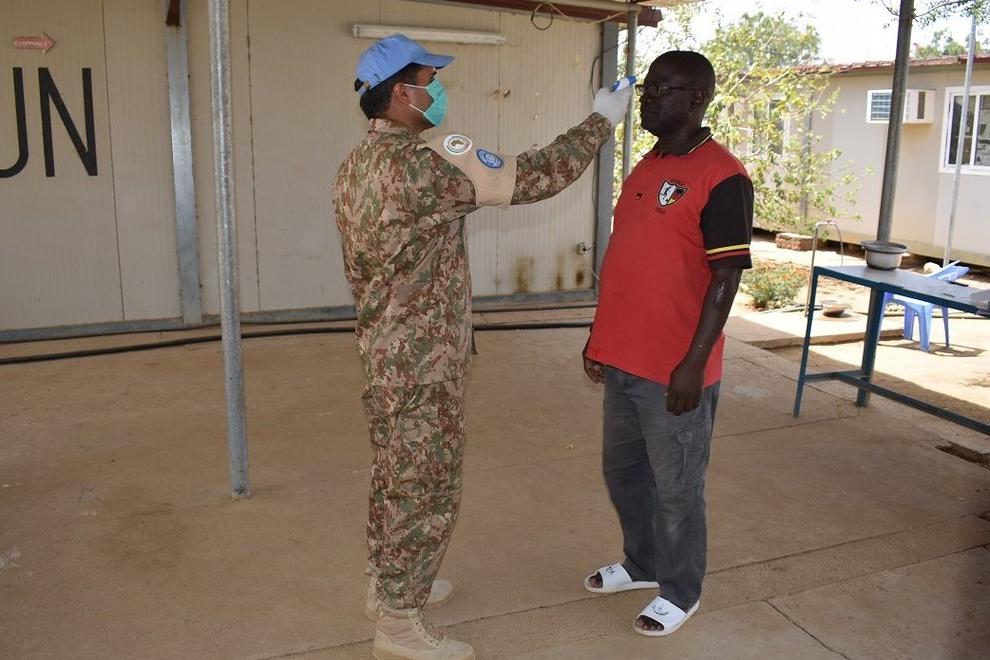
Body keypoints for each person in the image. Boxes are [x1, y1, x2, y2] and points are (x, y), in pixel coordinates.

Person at [332, 33, 633, 660]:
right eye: (429, 81)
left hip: (387, 352)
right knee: (425, 486)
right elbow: (533, 177)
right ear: (401, 95)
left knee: (394, 474)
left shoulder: (358, 163)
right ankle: (398, 621)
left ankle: (388, 586)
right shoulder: (422, 166)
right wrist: (600, 121)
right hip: (422, 362)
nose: (438, 90)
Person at [581, 50, 753, 637]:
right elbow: (629, 260)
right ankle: (643, 563)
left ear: (697, 98)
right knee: (624, 473)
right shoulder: (648, 165)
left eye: (662, 89)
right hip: (624, 357)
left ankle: (681, 591)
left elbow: (725, 278)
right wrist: (599, 338)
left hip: (675, 368)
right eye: (648, 88)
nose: (648, 98)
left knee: (677, 487)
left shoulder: (722, 176)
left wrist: (694, 362)